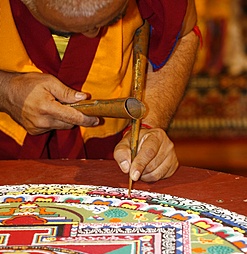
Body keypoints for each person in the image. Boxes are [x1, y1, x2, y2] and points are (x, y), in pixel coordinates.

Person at [0, 0, 199, 182]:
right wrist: (5, 90)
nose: (93, 35)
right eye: (67, 30)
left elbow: (179, 34)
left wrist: (148, 126)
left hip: (111, 154)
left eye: (113, 18)